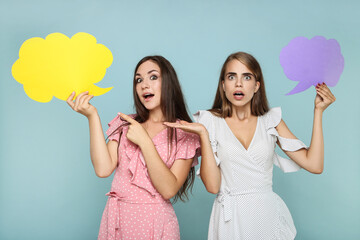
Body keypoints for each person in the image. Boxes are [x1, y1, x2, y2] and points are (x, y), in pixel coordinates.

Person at [164, 52, 336, 239]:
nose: (239, 83)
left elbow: (315, 165)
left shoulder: (271, 120)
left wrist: (318, 112)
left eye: (246, 77)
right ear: (223, 85)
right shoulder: (209, 121)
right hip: (230, 220)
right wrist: (204, 135)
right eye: (232, 77)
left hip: (266, 217)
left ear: (256, 86)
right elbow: (213, 186)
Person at [66, 55, 200, 240]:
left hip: (156, 224)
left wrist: (144, 142)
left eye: (153, 77)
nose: (144, 84)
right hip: (117, 219)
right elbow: (103, 169)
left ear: (169, 83)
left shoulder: (184, 133)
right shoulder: (125, 123)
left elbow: (169, 189)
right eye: (139, 79)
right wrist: (92, 116)